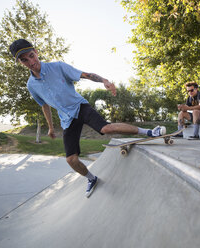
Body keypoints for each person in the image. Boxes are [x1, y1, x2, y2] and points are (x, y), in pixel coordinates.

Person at [9, 39, 166, 197]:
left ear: (36, 52)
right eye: (24, 60)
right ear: (20, 62)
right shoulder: (31, 85)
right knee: (71, 160)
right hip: (67, 119)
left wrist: (104, 80)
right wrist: (50, 127)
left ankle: (150, 132)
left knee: (105, 128)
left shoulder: (58, 67)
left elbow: (85, 75)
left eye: (31, 56)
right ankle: (92, 179)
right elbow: (44, 105)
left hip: (80, 107)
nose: (31, 62)